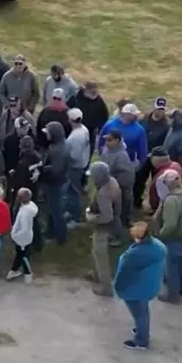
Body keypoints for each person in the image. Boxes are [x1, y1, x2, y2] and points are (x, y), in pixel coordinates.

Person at [114, 222, 167, 350]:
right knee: (143, 311)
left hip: (136, 288)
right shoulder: (159, 246)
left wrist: (118, 286)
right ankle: (141, 329)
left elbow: (123, 273)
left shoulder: (133, 255)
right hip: (150, 285)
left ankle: (141, 340)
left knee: (139, 313)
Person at [153, 169, 182, 304]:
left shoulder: (171, 200)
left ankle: (172, 295)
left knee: (171, 266)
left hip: (174, 237)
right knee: (181, 262)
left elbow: (170, 225)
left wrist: (161, 235)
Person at [85, 161, 119, 296]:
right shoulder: (112, 181)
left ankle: (106, 287)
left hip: (103, 228)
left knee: (101, 256)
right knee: (96, 252)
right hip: (113, 224)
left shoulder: (103, 194)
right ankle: (96, 274)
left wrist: (90, 217)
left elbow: (106, 217)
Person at [132, 98, 171, 209]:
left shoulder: (166, 126)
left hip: (157, 158)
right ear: (154, 107)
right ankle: (136, 201)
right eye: (158, 108)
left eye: (162, 109)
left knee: (156, 182)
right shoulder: (144, 120)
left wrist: (155, 154)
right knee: (139, 179)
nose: (160, 111)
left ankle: (155, 205)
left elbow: (165, 144)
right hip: (142, 155)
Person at [100, 130, 135, 242]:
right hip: (109, 182)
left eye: (109, 140)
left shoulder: (122, 155)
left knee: (125, 201)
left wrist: (114, 181)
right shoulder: (106, 150)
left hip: (122, 184)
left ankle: (124, 220)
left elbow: (126, 173)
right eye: (106, 139)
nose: (106, 142)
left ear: (117, 140)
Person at [40, 121, 70, 244]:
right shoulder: (57, 144)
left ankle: (60, 237)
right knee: (52, 209)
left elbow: (56, 169)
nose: (46, 135)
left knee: (56, 211)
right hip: (56, 182)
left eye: (48, 132)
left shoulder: (58, 149)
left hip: (55, 184)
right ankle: (50, 231)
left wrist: (41, 167)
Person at [97, 104, 148, 175]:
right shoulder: (110, 124)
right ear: (125, 114)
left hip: (128, 164)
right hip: (109, 161)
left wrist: (139, 166)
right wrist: (101, 155)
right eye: (133, 114)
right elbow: (101, 141)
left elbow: (143, 150)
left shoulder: (139, 130)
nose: (136, 116)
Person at [66, 81, 109, 155]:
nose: (94, 94)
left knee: (89, 151)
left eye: (95, 92)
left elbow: (104, 115)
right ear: (85, 90)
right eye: (92, 92)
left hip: (91, 131)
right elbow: (66, 111)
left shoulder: (99, 100)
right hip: (74, 129)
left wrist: (99, 128)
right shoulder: (75, 98)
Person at [65, 108, 91, 228]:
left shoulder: (75, 137)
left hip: (75, 166)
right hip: (82, 163)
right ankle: (71, 211)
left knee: (73, 191)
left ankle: (75, 217)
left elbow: (74, 156)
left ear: (71, 120)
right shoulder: (84, 129)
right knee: (73, 190)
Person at [7, 187, 37, 283]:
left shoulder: (24, 213)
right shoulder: (31, 207)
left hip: (22, 239)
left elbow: (23, 229)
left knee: (23, 256)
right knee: (21, 255)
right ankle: (14, 271)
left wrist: (15, 235)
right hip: (26, 237)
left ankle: (27, 274)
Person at [147, 146, 182, 213]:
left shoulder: (160, 177)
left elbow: (154, 198)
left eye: (151, 159)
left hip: (165, 208)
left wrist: (154, 208)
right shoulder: (177, 165)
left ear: (156, 161)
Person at [6, 135, 40, 207]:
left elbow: (17, 181)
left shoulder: (23, 163)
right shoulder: (37, 157)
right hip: (33, 188)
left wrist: (13, 175)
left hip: (23, 192)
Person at [2, 115, 36, 180]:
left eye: (26, 127)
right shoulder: (9, 140)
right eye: (23, 128)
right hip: (14, 170)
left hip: (28, 170)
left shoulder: (31, 138)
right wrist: (10, 169)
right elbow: (8, 157)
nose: (26, 129)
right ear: (17, 128)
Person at [163, 110, 182, 177]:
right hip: (166, 169)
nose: (168, 119)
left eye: (170, 117)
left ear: (175, 120)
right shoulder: (172, 130)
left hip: (174, 173)